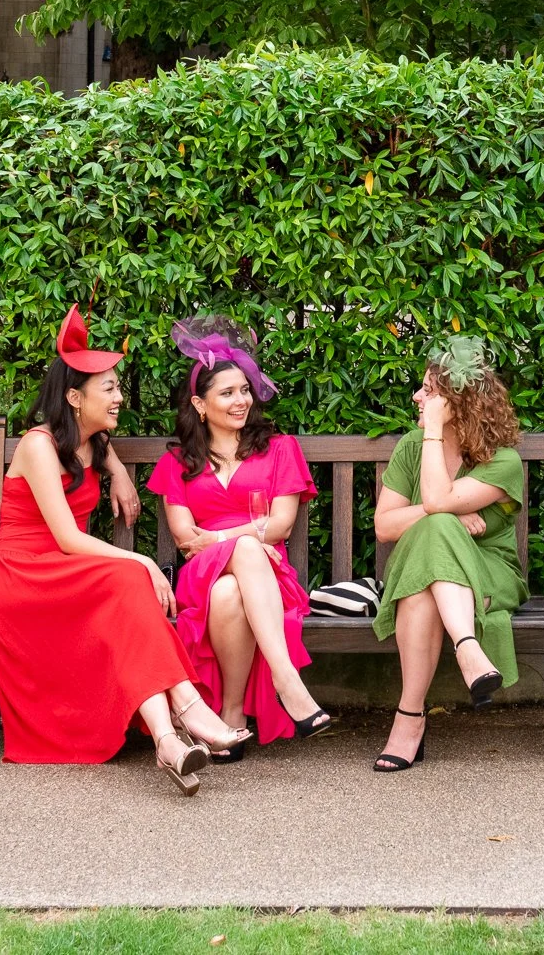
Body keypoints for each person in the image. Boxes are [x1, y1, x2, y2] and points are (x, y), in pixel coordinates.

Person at [0, 305, 244, 795]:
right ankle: (188, 708)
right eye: (111, 389)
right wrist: (142, 559)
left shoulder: (92, 439)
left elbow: (102, 452)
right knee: (129, 578)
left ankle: (169, 741)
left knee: (125, 590)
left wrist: (118, 469)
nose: (120, 396)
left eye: (118, 386)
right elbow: (68, 539)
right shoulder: (38, 446)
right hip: (25, 575)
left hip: (66, 574)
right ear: (75, 398)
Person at [146, 317, 334, 758]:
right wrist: (246, 537)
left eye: (244, 390)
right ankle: (287, 681)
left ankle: (232, 712)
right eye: (227, 393)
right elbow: (183, 536)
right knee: (246, 550)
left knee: (232, 589)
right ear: (200, 403)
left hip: (268, 578)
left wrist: (219, 538)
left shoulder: (279, 447)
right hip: (200, 579)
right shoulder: (179, 461)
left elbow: (282, 524)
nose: (241, 401)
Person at [370, 336, 527, 772]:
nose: (418, 397)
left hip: (489, 571)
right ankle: (468, 647)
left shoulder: (503, 461)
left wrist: (435, 510)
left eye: (429, 391)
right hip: (419, 568)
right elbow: (385, 527)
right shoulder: (410, 446)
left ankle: (408, 719)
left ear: (458, 403)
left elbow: (436, 502)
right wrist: (449, 515)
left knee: (429, 552)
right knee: (438, 528)